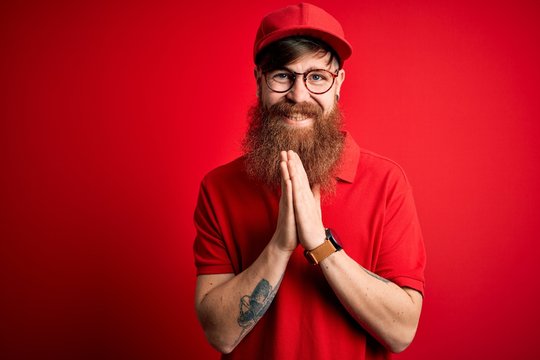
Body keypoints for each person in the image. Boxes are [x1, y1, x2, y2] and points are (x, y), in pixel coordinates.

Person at [193, 3, 426, 359]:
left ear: (339, 84)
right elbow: (221, 335)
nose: (298, 96)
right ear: (259, 80)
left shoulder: (387, 183)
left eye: (317, 76)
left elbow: (401, 333)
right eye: (283, 76)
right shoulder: (219, 187)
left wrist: (320, 244)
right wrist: (281, 245)